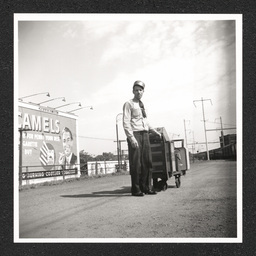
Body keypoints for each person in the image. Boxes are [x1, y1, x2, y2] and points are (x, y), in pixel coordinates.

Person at [123, 80, 161, 197]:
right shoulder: (128, 104)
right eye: (136, 90)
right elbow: (126, 122)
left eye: (140, 90)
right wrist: (132, 139)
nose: (138, 92)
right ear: (133, 91)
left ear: (143, 91)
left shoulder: (142, 105)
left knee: (147, 162)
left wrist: (154, 131)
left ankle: (147, 187)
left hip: (145, 135)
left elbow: (145, 122)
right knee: (136, 164)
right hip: (135, 134)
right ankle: (136, 190)